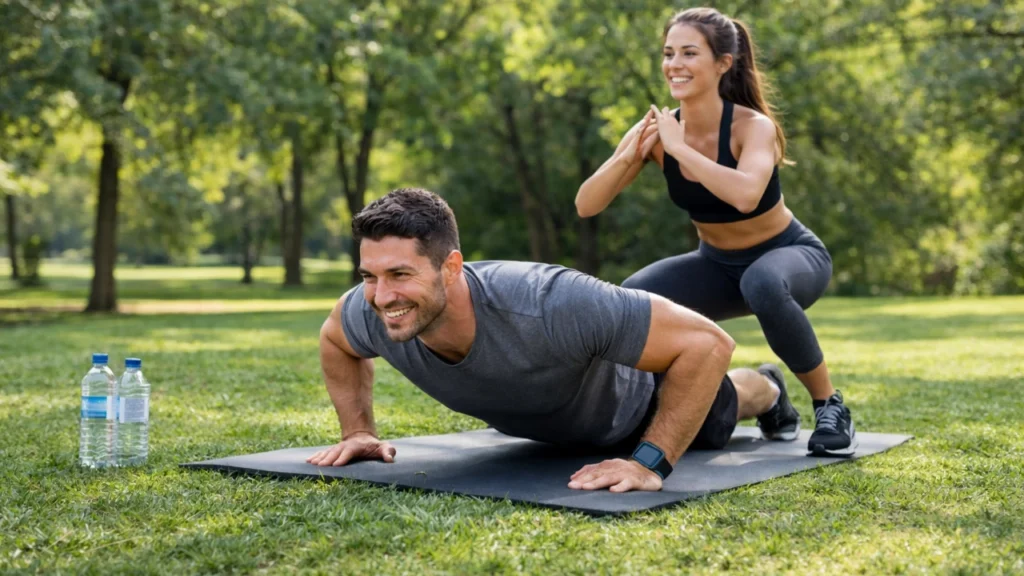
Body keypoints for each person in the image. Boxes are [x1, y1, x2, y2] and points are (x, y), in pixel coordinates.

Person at [307, 187, 803, 493]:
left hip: (641, 405)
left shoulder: (549, 301)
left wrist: (649, 462)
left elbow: (708, 342)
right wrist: (358, 433)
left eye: (399, 273)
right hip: (557, 426)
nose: (381, 295)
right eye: (369, 275)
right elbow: (336, 340)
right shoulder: (372, 306)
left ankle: (769, 387)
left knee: (725, 406)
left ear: (452, 267)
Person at [574, 7, 855, 456]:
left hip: (789, 256)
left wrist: (681, 150)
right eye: (668, 53)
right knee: (633, 300)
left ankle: (830, 405)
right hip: (716, 266)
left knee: (761, 281)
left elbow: (745, 195)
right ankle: (765, 396)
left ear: (723, 63)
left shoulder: (752, 127)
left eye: (689, 52)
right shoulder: (660, 130)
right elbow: (587, 204)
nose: (674, 64)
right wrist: (632, 155)